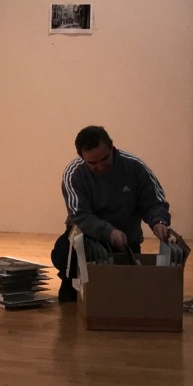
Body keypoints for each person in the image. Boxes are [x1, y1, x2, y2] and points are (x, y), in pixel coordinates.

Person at [50, 125, 173, 302]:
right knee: (62, 252)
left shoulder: (135, 167)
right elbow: (80, 215)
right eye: (92, 163)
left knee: (124, 295)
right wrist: (109, 232)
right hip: (86, 240)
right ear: (82, 157)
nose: (100, 166)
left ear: (112, 147)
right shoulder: (74, 173)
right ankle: (71, 280)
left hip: (125, 243)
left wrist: (159, 221)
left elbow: (154, 202)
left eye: (104, 158)